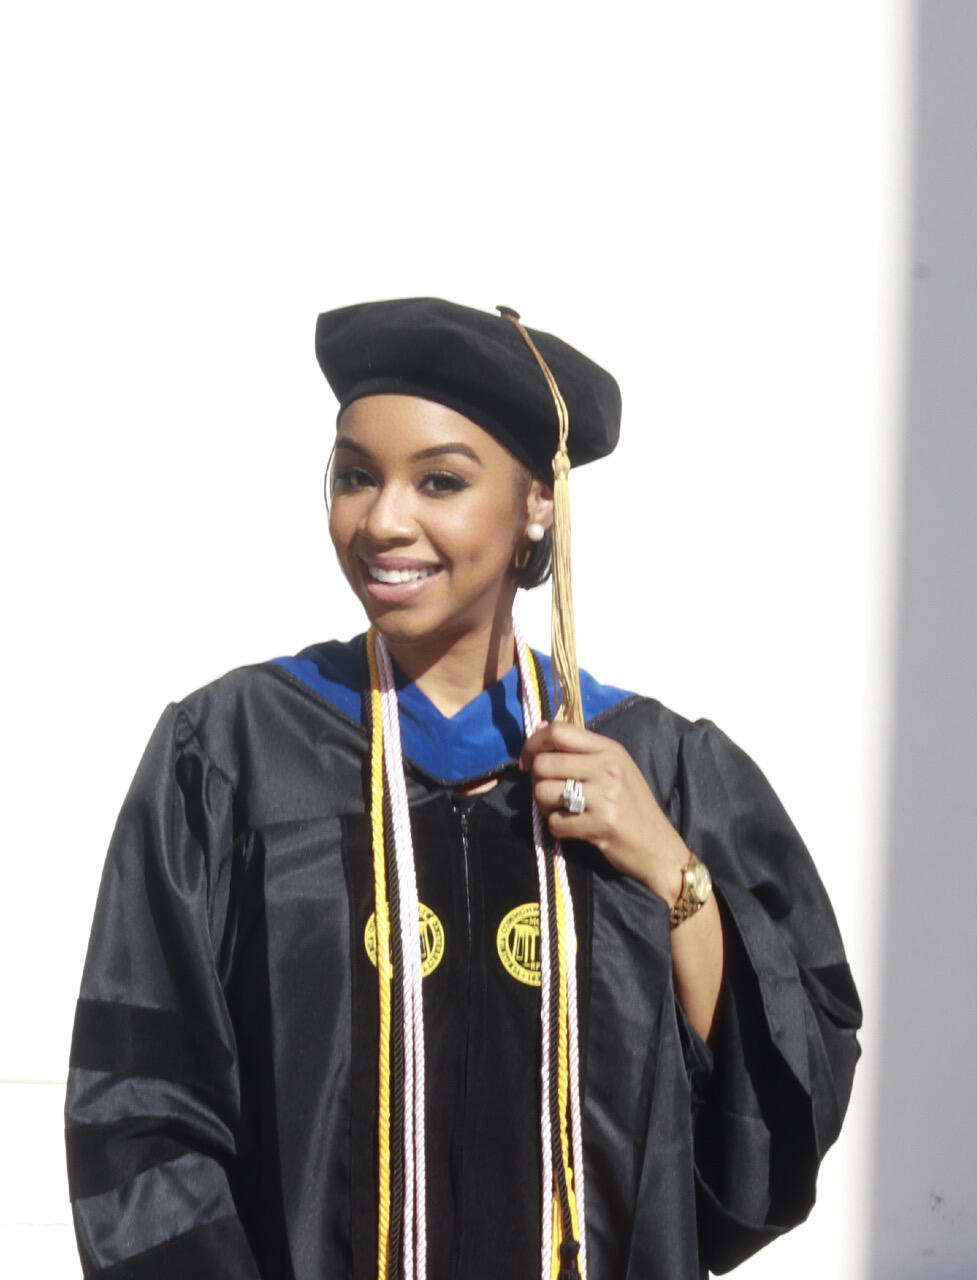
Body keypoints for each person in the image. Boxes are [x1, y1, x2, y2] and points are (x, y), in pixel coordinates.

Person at [64, 298, 861, 1280]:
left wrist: (669, 871)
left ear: (537, 502)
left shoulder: (660, 766)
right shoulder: (231, 752)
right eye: (355, 475)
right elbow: (141, 1110)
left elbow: (780, 1103)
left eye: (438, 479)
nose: (382, 519)